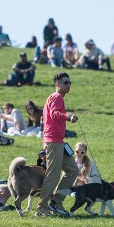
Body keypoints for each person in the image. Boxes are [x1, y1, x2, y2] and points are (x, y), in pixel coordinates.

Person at [37, 72, 79, 217]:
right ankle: (42, 207)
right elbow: (55, 113)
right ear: (58, 84)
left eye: (69, 82)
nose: (69, 85)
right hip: (53, 142)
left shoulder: (56, 97)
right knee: (53, 175)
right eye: (65, 82)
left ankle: (56, 201)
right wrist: (68, 116)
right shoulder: (57, 97)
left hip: (58, 141)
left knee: (73, 169)